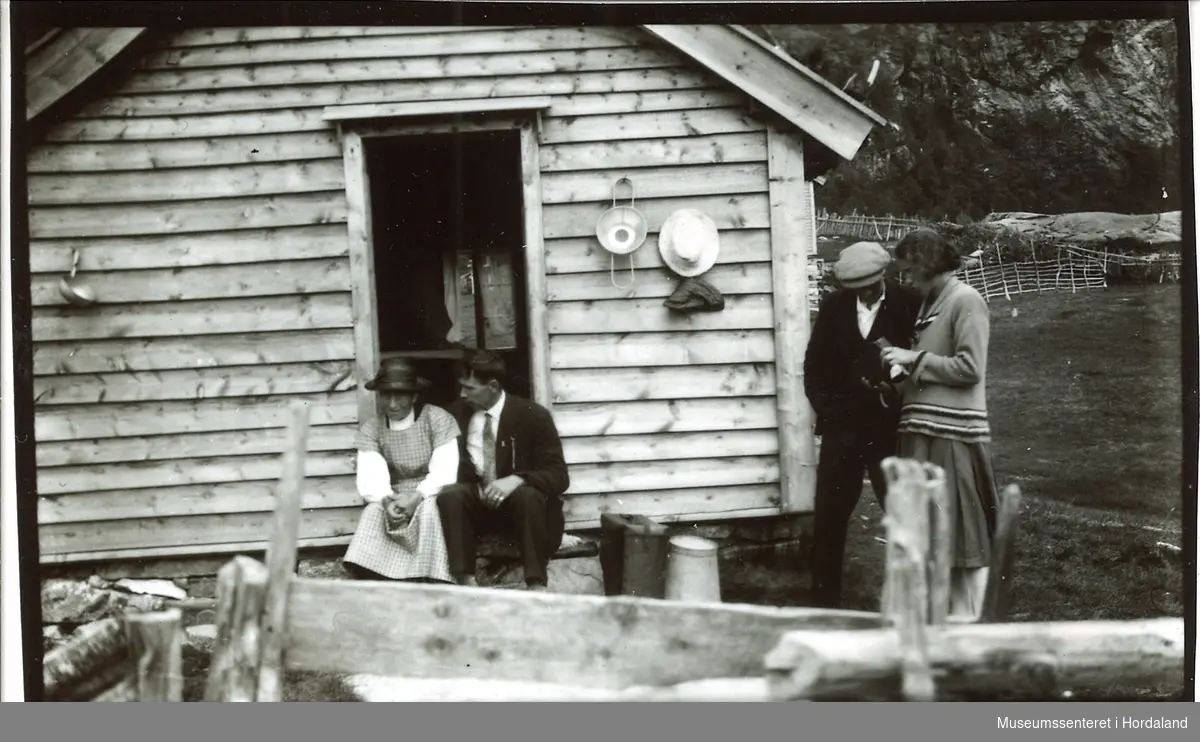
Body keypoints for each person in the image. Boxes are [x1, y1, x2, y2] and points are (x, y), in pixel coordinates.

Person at [881, 228, 998, 620]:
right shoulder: (931, 301)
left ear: (930, 265)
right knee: (930, 534)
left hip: (951, 434)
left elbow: (969, 368)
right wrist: (898, 377)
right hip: (923, 432)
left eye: (912, 271)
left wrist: (913, 360)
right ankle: (936, 618)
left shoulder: (967, 301)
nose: (907, 280)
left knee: (960, 532)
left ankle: (969, 620)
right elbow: (931, 369)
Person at [803, 241, 923, 608]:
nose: (865, 294)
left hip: (890, 429)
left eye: (871, 286)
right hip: (843, 429)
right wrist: (829, 410)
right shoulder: (834, 307)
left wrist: (897, 393)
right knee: (830, 515)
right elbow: (814, 368)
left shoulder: (909, 302)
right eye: (857, 289)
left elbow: (924, 361)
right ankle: (824, 605)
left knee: (903, 514)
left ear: (883, 276)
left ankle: (911, 601)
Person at [437, 350, 570, 592]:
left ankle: (536, 583)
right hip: (479, 505)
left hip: (521, 510)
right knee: (451, 495)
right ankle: (466, 580)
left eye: (469, 388)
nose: (462, 394)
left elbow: (559, 476)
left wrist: (517, 479)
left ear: (493, 386)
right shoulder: (455, 414)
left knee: (528, 495)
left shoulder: (533, 416)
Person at [342, 359, 461, 584]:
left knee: (428, 511)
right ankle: (376, 573)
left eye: (400, 396)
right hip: (393, 496)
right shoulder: (372, 428)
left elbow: (445, 470)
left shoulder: (436, 419)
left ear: (414, 396)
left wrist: (417, 497)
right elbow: (372, 475)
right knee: (373, 512)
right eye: (386, 396)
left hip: (430, 493)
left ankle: (426, 574)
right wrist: (387, 502)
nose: (393, 404)